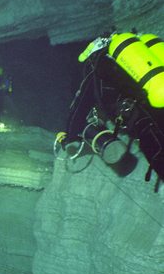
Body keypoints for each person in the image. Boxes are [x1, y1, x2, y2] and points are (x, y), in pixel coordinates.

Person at [56, 31, 164, 188]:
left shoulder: (97, 72)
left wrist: (70, 136)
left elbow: (79, 109)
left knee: (157, 154)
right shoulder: (126, 64)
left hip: (143, 121)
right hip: (157, 105)